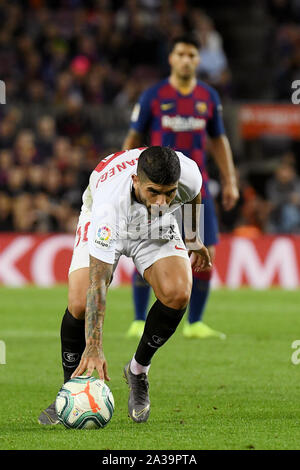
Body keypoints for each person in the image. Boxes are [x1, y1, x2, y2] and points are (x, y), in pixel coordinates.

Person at [38, 146, 211, 425]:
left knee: (178, 293)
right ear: (135, 181)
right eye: (154, 191)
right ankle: (70, 389)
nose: (162, 202)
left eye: (169, 193)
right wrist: (94, 345)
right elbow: (98, 282)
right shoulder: (109, 204)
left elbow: (192, 195)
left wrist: (192, 237)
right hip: (107, 222)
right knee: (80, 302)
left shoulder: (188, 172)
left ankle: (138, 371)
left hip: (155, 228)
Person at [122, 34, 239, 340]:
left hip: (195, 187)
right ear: (171, 58)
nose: (187, 59)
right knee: (145, 246)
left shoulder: (208, 97)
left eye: (192, 55)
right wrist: (124, 173)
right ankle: (137, 318)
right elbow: (134, 139)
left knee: (205, 250)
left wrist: (230, 180)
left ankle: (195, 323)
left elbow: (218, 140)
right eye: (181, 54)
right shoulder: (153, 95)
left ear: (197, 60)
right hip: (158, 188)